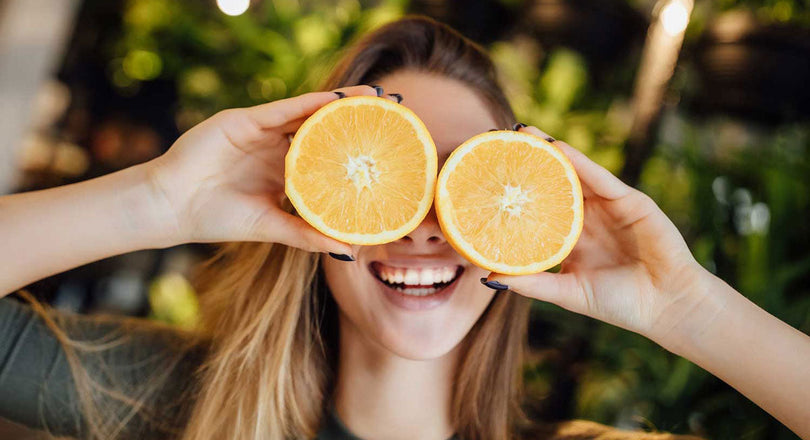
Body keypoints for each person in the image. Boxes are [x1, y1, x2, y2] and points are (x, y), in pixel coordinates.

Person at [0, 15, 808, 440]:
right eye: (388, 176)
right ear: (307, 204)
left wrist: (691, 313)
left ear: (519, 214)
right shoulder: (181, 405)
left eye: (464, 179)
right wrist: (154, 202)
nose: (425, 227)